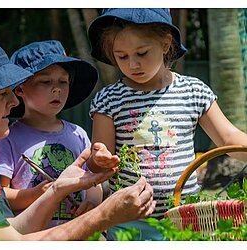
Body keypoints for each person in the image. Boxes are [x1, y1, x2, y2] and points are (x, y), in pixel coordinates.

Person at [0, 34, 156, 240]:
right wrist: (104, 215)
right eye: (2, 94)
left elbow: (9, 229)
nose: (13, 101)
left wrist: (58, 188)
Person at [87, 8, 247, 240]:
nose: (133, 64)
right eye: (121, 56)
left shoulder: (193, 91)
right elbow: (98, 162)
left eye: (142, 53)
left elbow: (228, 138)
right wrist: (99, 159)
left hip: (187, 218)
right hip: (128, 222)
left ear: (165, 43)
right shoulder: (109, 99)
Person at [0, 40, 105, 227]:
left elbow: (91, 181)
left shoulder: (78, 134)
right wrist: (36, 194)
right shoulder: (7, 137)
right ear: (20, 89)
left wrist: (91, 203)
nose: (57, 89)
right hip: (32, 236)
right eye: (45, 81)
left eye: (63, 81)